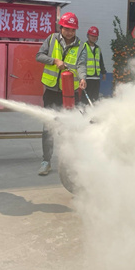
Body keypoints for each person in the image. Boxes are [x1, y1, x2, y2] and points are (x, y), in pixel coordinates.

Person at [35, 12, 87, 175]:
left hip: (70, 94)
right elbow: (39, 56)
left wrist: (83, 78)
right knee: (48, 127)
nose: (70, 32)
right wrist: (54, 61)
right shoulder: (51, 39)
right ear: (61, 28)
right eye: (67, 29)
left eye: (73, 30)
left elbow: (81, 65)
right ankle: (46, 161)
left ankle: (69, 162)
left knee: (69, 127)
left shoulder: (81, 46)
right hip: (51, 91)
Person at [82, 26, 106, 104]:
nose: (93, 38)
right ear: (88, 35)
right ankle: (84, 110)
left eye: (95, 36)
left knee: (95, 98)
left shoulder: (98, 49)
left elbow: (101, 61)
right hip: (87, 77)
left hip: (96, 78)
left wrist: (103, 72)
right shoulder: (83, 47)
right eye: (92, 36)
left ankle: (93, 110)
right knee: (85, 98)